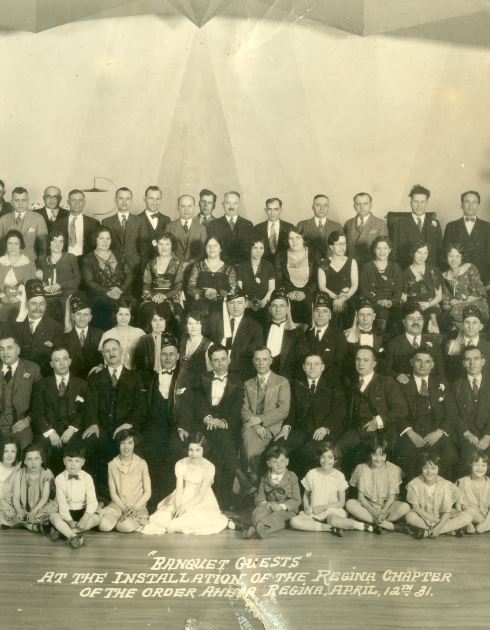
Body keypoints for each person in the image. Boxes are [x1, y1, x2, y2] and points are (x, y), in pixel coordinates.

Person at [83, 338, 147, 498]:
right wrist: (93, 423)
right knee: (91, 442)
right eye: (107, 351)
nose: (111, 353)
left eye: (114, 349)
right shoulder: (96, 377)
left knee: (128, 444)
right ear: (103, 355)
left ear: (122, 352)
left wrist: (128, 424)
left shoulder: (135, 376)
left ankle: (128, 496)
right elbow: (90, 404)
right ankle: (99, 496)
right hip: (102, 427)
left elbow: (141, 407)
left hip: (125, 428)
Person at [185, 345, 243, 508]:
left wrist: (223, 422)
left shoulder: (238, 381)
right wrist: (208, 418)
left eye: (223, 359)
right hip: (204, 424)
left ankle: (219, 501)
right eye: (216, 360)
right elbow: (198, 403)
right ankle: (241, 477)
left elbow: (237, 408)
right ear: (210, 362)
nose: (220, 363)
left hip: (226, 425)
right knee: (223, 439)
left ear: (229, 359)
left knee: (222, 441)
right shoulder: (201, 378)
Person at [336, 346, 407, 473]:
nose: (361, 363)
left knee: (364, 456)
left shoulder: (386, 382)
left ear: (374, 363)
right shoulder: (351, 383)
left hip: (381, 433)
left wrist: (378, 422)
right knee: (334, 452)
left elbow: (401, 409)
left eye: (365, 360)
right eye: (358, 360)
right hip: (357, 431)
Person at [275, 353, 345, 480]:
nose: (312, 367)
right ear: (303, 367)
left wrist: (325, 427)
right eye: (309, 364)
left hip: (323, 432)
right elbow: (291, 410)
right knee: (277, 449)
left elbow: (339, 411)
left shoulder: (334, 385)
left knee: (305, 453)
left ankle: (302, 492)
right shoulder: (295, 385)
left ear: (323, 367)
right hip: (301, 431)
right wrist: (286, 427)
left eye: (316, 364)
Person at [142, 432, 228, 535]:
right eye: (191, 450)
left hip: (202, 498)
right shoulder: (181, 464)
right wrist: (178, 506)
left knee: (197, 519)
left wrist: (184, 508)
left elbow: (201, 495)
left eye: (198, 450)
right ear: (187, 450)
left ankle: (228, 520)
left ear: (203, 450)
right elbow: (179, 488)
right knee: (161, 518)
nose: (194, 454)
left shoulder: (209, 467)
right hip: (182, 495)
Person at [396, 345, 458, 480]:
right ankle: (413, 494)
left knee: (450, 455)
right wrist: (410, 433)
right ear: (412, 362)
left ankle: (440, 494)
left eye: (427, 361)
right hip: (411, 432)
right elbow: (397, 411)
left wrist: (439, 432)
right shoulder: (402, 383)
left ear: (432, 365)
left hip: (435, 433)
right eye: (419, 360)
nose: (422, 365)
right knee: (405, 455)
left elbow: (451, 413)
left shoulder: (441, 384)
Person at [290, 443, 373, 535]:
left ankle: (361, 525)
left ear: (335, 460)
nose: (326, 460)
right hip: (314, 511)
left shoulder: (338, 476)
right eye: (323, 457)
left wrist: (324, 507)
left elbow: (341, 502)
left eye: (330, 457)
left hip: (332, 511)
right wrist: (306, 507)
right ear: (319, 458)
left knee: (334, 521)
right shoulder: (312, 473)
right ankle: (329, 528)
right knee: (294, 521)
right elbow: (306, 495)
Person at [240, 347, 290, 492]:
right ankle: (255, 483)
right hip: (252, 426)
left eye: (264, 359)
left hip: (272, 426)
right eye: (257, 359)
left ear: (271, 361)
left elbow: (283, 410)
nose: (261, 363)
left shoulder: (282, 382)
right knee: (249, 435)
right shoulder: (248, 383)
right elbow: (244, 408)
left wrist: (261, 420)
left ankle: (252, 483)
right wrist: (256, 426)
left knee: (249, 440)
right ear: (253, 361)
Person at [31, 347, 88, 474]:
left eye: (64, 359)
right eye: (57, 360)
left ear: (70, 361)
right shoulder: (42, 384)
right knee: (39, 450)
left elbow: (85, 411)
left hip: (72, 431)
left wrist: (72, 429)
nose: (62, 363)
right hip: (49, 430)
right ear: (51, 364)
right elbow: (36, 412)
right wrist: (50, 432)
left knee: (77, 452)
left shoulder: (82, 384)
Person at [346, 436, 410, 533]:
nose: (378, 459)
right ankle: (386, 525)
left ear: (386, 456)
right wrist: (373, 511)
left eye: (382, 455)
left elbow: (392, 498)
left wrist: (383, 511)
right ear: (370, 454)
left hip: (386, 506)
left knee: (406, 507)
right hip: (367, 505)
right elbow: (361, 497)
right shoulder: (362, 468)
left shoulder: (394, 469)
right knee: (350, 504)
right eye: (374, 455)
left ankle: (373, 524)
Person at [405, 453, 472, 539]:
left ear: (438, 468)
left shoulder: (445, 485)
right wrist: (436, 521)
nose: (429, 472)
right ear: (421, 468)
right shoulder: (414, 484)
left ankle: (428, 532)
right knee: (409, 517)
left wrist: (438, 527)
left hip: (442, 516)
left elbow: (447, 510)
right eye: (425, 468)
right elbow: (417, 508)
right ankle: (449, 529)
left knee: (467, 517)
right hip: (423, 516)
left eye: (433, 468)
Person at [206, 285, 263, 381]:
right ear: (227, 304)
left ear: (246, 304)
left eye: (239, 303)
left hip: (241, 377)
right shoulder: (216, 321)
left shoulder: (255, 327)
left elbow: (255, 356)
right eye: (232, 303)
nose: (235, 307)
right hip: (216, 374)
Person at [98, 429, 151, 533]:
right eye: (122, 443)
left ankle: (124, 522)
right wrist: (123, 509)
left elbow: (148, 492)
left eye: (130, 443)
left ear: (134, 444)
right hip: (118, 505)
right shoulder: (112, 465)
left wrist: (134, 508)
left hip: (137, 506)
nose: (126, 447)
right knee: (104, 526)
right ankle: (116, 518)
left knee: (125, 527)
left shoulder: (142, 463)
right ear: (118, 445)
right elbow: (113, 493)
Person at [243, 444, 300, 539]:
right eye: (275, 461)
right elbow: (259, 496)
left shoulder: (292, 477)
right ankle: (258, 528)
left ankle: (260, 528)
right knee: (257, 511)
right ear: (269, 463)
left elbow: (296, 500)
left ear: (287, 462)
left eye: (282, 461)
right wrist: (265, 504)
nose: (279, 464)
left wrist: (281, 506)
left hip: (286, 510)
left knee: (278, 517)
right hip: (269, 506)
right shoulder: (265, 478)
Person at [81, 226, 133, 330]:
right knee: (106, 304)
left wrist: (121, 289)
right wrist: (107, 292)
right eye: (101, 238)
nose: (105, 242)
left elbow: (129, 274)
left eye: (108, 239)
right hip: (99, 295)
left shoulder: (119, 255)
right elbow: (89, 281)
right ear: (95, 239)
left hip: (120, 293)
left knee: (129, 303)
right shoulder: (88, 258)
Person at [49, 444, 101, 548]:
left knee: (97, 519)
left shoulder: (87, 478)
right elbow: (62, 503)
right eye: (69, 460)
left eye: (77, 461)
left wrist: (85, 518)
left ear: (83, 462)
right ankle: (73, 536)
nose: (73, 464)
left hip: (82, 512)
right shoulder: (59, 478)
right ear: (64, 461)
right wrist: (69, 520)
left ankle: (63, 532)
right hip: (66, 513)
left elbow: (92, 501)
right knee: (53, 517)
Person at [381, 301, 446, 383]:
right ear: (404, 322)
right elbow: (385, 371)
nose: (416, 323)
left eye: (419, 319)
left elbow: (441, 374)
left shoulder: (434, 344)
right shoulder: (393, 344)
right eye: (411, 319)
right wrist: (397, 375)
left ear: (423, 322)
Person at [101, 187, 150, 292]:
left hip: (135, 267)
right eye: (121, 198)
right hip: (113, 268)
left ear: (131, 200)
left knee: (134, 298)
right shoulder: (106, 222)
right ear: (115, 200)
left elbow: (144, 249)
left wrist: (142, 269)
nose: (124, 202)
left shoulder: (140, 221)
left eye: (127, 198)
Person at [450, 346, 490, 469]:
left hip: (488, 432)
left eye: (476, 359)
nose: (472, 363)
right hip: (466, 434)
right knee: (469, 458)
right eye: (468, 359)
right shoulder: (455, 386)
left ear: (483, 362)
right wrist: (467, 434)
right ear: (463, 363)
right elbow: (454, 413)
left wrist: (488, 437)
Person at [14, 279, 64, 376]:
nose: (38, 308)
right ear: (26, 305)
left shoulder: (56, 327)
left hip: (45, 379)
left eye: (41, 304)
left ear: (45, 305)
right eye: (34, 304)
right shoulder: (16, 327)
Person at [0, 333, 41, 450]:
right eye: (1, 349)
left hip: (21, 424)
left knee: (25, 448)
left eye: (9, 348)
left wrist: (28, 420)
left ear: (18, 350)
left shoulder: (32, 368)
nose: (5, 353)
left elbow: (39, 401)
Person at [443, 190, 490, 286]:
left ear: (478, 205)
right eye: (467, 202)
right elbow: (445, 253)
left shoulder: (487, 227)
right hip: (457, 277)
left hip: (482, 277)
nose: (470, 205)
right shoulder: (451, 226)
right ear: (461, 205)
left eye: (474, 202)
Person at [391, 184, 443, 269]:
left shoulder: (435, 224)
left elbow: (440, 252)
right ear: (410, 203)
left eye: (422, 202)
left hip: (430, 272)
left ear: (427, 203)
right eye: (416, 201)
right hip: (406, 271)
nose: (419, 205)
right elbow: (394, 253)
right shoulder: (399, 224)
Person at [140, 231, 184, 327]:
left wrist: (164, 296)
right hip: (153, 298)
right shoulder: (150, 263)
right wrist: (153, 296)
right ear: (156, 246)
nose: (164, 247)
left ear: (172, 246)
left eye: (167, 244)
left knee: (165, 310)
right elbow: (146, 285)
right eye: (161, 244)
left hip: (171, 298)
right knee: (147, 309)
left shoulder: (178, 264)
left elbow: (178, 286)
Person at [360, 235, 403, 334]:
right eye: (378, 248)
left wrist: (391, 302)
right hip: (372, 303)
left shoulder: (395, 267)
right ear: (374, 250)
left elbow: (398, 291)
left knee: (396, 316)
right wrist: (378, 301)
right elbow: (364, 291)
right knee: (379, 314)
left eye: (385, 248)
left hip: (392, 305)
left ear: (390, 250)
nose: (382, 252)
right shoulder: (367, 267)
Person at [275, 227, 318, 325]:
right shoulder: (281, 256)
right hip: (289, 294)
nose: (294, 241)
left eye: (298, 237)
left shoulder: (314, 254)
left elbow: (317, 279)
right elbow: (278, 279)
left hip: (309, 293)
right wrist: (287, 293)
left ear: (303, 239)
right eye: (291, 238)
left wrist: (306, 293)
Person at [318, 230, 358, 329]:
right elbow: (322, 287)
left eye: (344, 244)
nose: (342, 247)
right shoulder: (323, 263)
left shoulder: (351, 262)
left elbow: (354, 285)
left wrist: (343, 299)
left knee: (349, 312)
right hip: (330, 299)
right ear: (331, 246)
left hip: (347, 298)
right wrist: (336, 298)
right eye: (339, 244)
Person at [263, 287, 305, 381]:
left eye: (282, 306)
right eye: (274, 306)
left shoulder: (297, 333)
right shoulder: (262, 329)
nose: (278, 309)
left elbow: (300, 364)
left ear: (287, 309)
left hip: (287, 382)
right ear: (269, 309)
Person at [441, 242, 488, 327]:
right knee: (448, 315)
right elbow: (445, 300)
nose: (454, 260)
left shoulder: (469, 268)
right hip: (456, 309)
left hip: (476, 304)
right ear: (446, 257)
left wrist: (459, 302)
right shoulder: (445, 276)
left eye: (457, 256)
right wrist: (449, 303)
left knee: (456, 311)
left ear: (462, 257)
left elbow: (479, 293)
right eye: (450, 256)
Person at [12, 443, 56, 534]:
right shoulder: (19, 473)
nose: (33, 463)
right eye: (29, 459)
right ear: (24, 461)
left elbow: (44, 498)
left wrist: (34, 512)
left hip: (40, 507)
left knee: (52, 511)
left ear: (42, 460)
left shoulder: (46, 473)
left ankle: (29, 523)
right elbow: (16, 497)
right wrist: (19, 511)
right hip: (23, 507)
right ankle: (32, 526)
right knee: (9, 512)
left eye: (36, 458)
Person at [38, 229, 80, 322]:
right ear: (49, 243)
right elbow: (41, 282)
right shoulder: (43, 260)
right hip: (48, 296)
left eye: (61, 242)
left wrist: (60, 285)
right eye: (55, 241)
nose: (58, 244)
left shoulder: (71, 258)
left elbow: (77, 280)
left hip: (66, 295)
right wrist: (42, 282)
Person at [301, 292, 347, 376]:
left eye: (325, 311)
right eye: (317, 311)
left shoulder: (339, 337)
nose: (320, 315)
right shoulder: (305, 335)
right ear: (313, 314)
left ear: (330, 315)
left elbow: (340, 367)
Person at [186, 235, 237, 312]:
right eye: (209, 246)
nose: (211, 248)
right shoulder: (197, 266)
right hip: (200, 306)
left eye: (215, 245)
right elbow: (190, 288)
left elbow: (234, 290)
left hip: (222, 307)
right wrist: (203, 293)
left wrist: (218, 292)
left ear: (221, 248)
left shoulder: (229, 269)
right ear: (205, 248)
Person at [401, 240, 442, 333]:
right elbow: (403, 298)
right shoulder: (405, 273)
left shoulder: (434, 271)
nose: (422, 256)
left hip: (432, 306)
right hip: (413, 307)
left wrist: (429, 304)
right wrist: (416, 305)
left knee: (432, 318)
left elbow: (439, 296)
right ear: (413, 253)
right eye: (419, 252)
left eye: (425, 253)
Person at [0, 186, 48, 265]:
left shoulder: (38, 218)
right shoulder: (3, 220)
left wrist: (40, 268)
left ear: (28, 201)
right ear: (11, 202)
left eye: (23, 200)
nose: (20, 204)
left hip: (30, 264)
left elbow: (43, 248)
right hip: (7, 264)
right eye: (16, 200)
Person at [343, 298, 384, 387]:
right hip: (353, 379)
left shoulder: (382, 335)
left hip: (376, 380)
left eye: (368, 315)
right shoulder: (347, 335)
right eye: (362, 315)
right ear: (357, 316)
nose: (365, 318)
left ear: (374, 316)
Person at [62, 292, 103, 379]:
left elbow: (104, 358)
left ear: (90, 317)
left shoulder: (100, 334)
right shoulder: (64, 336)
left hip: (94, 380)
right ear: (73, 316)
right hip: (72, 381)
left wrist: (101, 366)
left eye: (86, 315)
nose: (82, 318)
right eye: (78, 314)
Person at [236, 238, 275, 327]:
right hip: (247, 305)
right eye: (255, 248)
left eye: (261, 248)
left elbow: (272, 288)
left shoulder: (269, 266)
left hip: (264, 304)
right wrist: (247, 303)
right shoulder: (242, 267)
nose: (258, 251)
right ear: (250, 249)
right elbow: (239, 289)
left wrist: (264, 301)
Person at [445, 305, 490, 382]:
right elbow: (448, 373)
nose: (471, 326)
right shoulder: (452, 346)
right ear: (462, 326)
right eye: (467, 322)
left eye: (474, 323)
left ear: (481, 326)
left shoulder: (488, 347)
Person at [207, 191, 254, 265]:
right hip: (221, 267)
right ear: (223, 204)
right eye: (228, 203)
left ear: (239, 205)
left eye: (235, 203)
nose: (231, 207)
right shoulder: (214, 225)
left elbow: (250, 250)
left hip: (242, 268)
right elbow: (212, 250)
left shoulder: (248, 225)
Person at [344, 192, 388, 269]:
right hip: (350, 267)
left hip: (371, 268)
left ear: (371, 205)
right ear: (354, 206)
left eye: (365, 203)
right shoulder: (348, 223)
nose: (361, 207)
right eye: (358, 204)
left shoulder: (380, 224)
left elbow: (383, 250)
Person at [0, 229, 36, 323]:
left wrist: (18, 296)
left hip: (21, 299)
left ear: (21, 245)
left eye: (16, 243)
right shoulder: (1, 261)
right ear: (6, 244)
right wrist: (3, 296)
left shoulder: (28, 263)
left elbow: (29, 283)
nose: (12, 247)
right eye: (10, 243)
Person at [99, 298, 145, 370]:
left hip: (134, 375)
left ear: (131, 316)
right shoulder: (107, 334)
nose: (123, 318)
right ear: (115, 315)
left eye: (127, 314)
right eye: (120, 314)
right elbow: (104, 361)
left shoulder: (139, 333)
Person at [54, 189, 100, 260]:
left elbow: (97, 246)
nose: (77, 203)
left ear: (84, 202)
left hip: (86, 262)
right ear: (68, 202)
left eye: (80, 200)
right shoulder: (58, 223)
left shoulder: (94, 223)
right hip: (64, 261)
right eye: (73, 200)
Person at [133, 302, 178, 373]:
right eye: (154, 320)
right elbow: (139, 365)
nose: (158, 324)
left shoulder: (172, 339)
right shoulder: (144, 340)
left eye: (161, 320)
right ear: (150, 322)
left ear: (166, 321)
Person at [164, 194, 207, 268]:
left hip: (194, 267)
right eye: (183, 206)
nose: (186, 210)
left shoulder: (202, 229)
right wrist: (178, 263)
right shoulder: (169, 227)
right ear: (178, 208)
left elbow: (203, 251)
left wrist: (189, 263)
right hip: (174, 267)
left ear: (194, 207)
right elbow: (166, 248)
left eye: (189, 206)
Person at [296, 194, 342, 259]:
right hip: (308, 265)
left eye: (325, 205)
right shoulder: (302, 225)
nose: (322, 208)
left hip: (331, 266)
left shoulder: (337, 227)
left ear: (328, 207)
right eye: (318, 205)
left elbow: (342, 250)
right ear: (312, 207)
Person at [175, 310, 212, 390]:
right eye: (190, 323)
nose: (193, 327)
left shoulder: (209, 345)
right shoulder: (183, 342)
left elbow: (210, 374)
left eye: (197, 323)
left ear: (202, 325)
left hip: (199, 390)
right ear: (186, 326)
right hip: (180, 387)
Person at [456, 452, 490, 534]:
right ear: (470, 465)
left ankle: (485, 526)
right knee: (468, 510)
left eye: (483, 465)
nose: (479, 468)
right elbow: (458, 505)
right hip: (470, 515)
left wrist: (485, 524)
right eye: (476, 465)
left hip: (487, 516)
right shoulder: (462, 482)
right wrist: (468, 523)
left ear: (488, 467)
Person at [252, 197, 294, 262]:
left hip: (284, 267)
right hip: (264, 267)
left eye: (276, 209)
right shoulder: (257, 228)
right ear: (265, 210)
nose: (272, 213)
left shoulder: (289, 227)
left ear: (281, 210)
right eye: (269, 209)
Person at [138, 185, 171, 263]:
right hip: (142, 266)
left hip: (163, 265)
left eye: (157, 199)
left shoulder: (167, 219)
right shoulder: (136, 220)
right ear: (144, 199)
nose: (154, 202)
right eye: (151, 198)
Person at [0, 438, 21, 528]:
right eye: (6, 451)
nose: (9, 455)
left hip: (7, 504)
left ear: (17, 453)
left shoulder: (17, 470)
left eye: (13, 451)